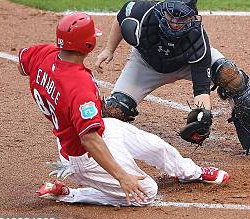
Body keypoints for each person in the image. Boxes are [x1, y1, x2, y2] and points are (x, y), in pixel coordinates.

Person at [19, 12, 229, 207]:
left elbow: (22, 63)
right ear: (88, 43)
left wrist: (49, 83)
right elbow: (89, 140)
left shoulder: (43, 54)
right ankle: (71, 194)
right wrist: (122, 177)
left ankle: (190, 172)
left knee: (154, 146)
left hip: (99, 130)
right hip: (83, 155)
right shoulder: (78, 86)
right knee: (145, 192)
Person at [94, 0, 250, 159]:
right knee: (114, 111)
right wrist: (109, 49)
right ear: (163, 10)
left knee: (230, 76)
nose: (174, 22)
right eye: (171, 15)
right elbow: (122, 18)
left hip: (186, 64)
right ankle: (102, 153)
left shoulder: (197, 39)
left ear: (192, 18)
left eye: (181, 19)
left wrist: (203, 117)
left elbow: (201, 86)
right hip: (144, 65)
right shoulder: (143, 14)